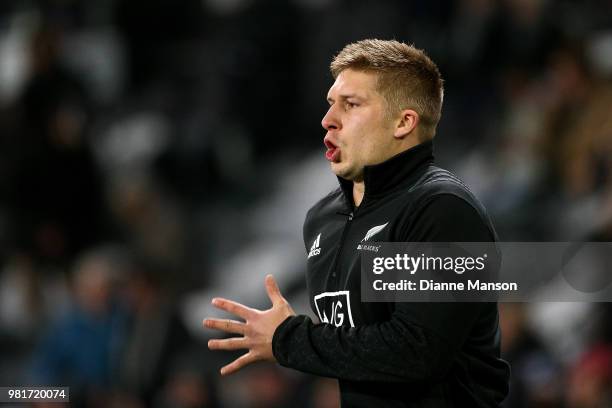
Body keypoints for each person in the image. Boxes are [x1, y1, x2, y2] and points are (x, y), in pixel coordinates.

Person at [204, 39, 510, 407]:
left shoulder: (441, 210)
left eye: (351, 104)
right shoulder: (322, 220)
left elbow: (416, 351)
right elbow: (355, 353)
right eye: (331, 103)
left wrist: (289, 339)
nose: (328, 119)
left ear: (403, 122)